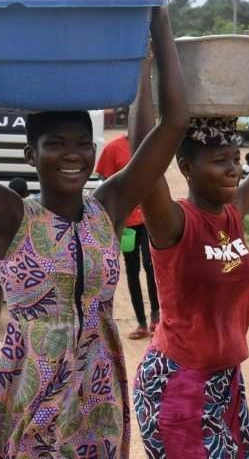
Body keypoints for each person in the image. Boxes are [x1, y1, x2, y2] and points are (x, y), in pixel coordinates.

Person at [0, 0, 188, 457]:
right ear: (32, 153)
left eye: (83, 143)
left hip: (98, 397)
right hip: (31, 398)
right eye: (56, 143)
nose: (72, 154)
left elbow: (173, 125)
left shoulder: (108, 207)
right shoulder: (11, 217)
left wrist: (158, 26)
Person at [130, 66, 249, 456]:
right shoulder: (174, 223)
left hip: (225, 380)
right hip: (178, 384)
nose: (235, 170)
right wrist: (144, 64)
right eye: (221, 160)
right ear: (186, 169)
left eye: (237, 159)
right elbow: (143, 157)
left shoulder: (234, 213)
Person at [96, 132, 160, 340]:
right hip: (127, 223)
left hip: (149, 218)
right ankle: (141, 323)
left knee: (152, 268)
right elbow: (105, 183)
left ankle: (156, 320)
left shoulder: (152, 144)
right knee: (132, 271)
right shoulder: (113, 148)